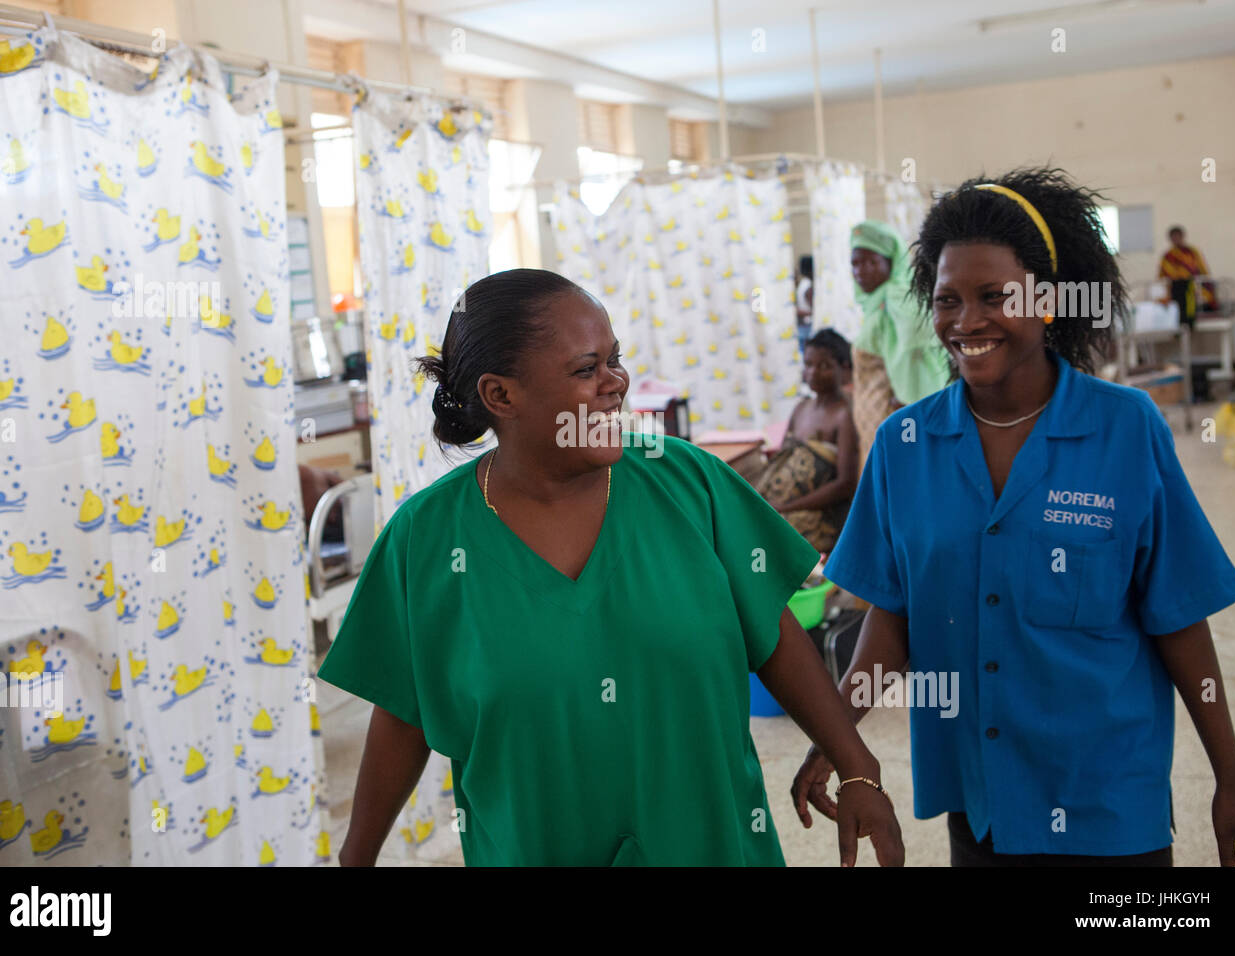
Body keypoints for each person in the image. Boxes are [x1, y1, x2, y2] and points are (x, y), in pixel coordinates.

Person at [317, 268, 903, 867]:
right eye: (586, 368)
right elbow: (403, 710)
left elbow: (773, 634)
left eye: (615, 361)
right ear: (500, 396)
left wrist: (855, 765)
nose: (616, 383)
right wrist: (356, 856)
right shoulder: (425, 541)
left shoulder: (689, 486)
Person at [792, 168, 1235, 866]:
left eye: (994, 297)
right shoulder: (905, 446)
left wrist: (1231, 781)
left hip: (1108, 800)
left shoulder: (1124, 429)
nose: (967, 321)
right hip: (980, 805)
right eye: (947, 300)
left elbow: (1178, 619)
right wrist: (839, 738)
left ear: (1046, 300)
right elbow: (891, 617)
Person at [849, 220, 950, 466]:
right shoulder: (876, 303)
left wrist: (909, 413)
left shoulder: (896, 301)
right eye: (855, 263)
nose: (861, 271)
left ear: (891, 262)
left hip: (892, 418)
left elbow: (914, 362)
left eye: (871, 262)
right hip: (874, 418)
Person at [754, 328, 857, 554]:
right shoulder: (801, 408)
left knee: (768, 543)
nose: (813, 373)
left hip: (815, 514)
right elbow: (781, 462)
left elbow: (845, 484)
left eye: (824, 366)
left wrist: (786, 507)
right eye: (808, 364)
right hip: (780, 506)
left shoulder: (844, 415)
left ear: (845, 368)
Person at [1157, 225, 1214, 328]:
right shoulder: (1167, 255)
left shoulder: (1192, 252)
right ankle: (1179, 324)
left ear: (1183, 236)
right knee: (1176, 308)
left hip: (1191, 287)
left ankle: (1189, 322)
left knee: (1189, 305)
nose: (1176, 239)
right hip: (1174, 288)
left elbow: (1202, 270)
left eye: (1178, 236)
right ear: (1170, 239)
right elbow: (1162, 276)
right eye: (1173, 237)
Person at [795, 254, 814, 355]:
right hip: (808, 326)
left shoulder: (802, 284)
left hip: (802, 327)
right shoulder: (808, 286)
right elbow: (813, 308)